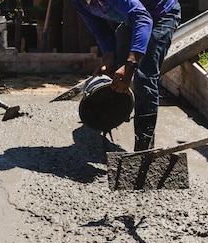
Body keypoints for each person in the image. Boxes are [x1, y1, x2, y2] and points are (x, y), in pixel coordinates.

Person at [72, 0, 181, 151]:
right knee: (116, 71)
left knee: (144, 77)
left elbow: (143, 19)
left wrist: (131, 65)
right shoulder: (78, 2)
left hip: (160, 15)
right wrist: (108, 56)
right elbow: (99, 28)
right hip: (131, 19)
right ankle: (111, 119)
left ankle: (144, 149)